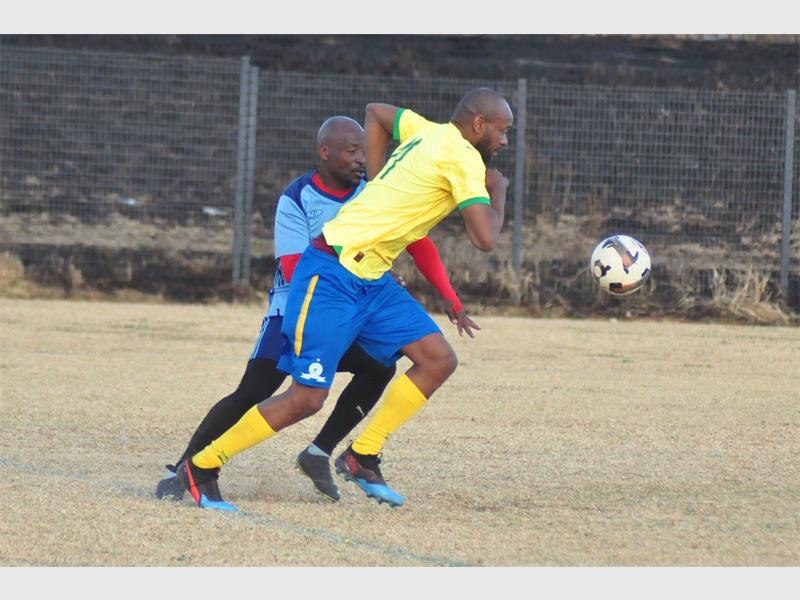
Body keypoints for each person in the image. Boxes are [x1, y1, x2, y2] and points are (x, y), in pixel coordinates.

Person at [175, 87, 511, 510]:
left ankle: (362, 454)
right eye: (502, 131)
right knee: (306, 399)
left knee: (438, 359)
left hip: (373, 280)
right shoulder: (464, 159)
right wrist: (497, 191)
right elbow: (485, 238)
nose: (504, 141)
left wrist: (376, 180)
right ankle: (201, 467)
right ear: (478, 124)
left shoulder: (426, 130)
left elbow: (377, 114)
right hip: (332, 273)